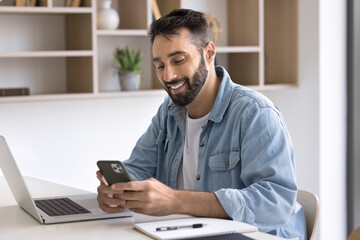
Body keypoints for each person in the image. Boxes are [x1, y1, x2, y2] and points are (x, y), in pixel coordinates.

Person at [97, 9, 307, 240]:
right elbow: (140, 167)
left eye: (178, 60)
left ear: (209, 53)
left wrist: (175, 201)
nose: (168, 76)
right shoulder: (169, 112)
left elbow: (275, 203)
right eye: (160, 65)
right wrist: (118, 191)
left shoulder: (255, 113)